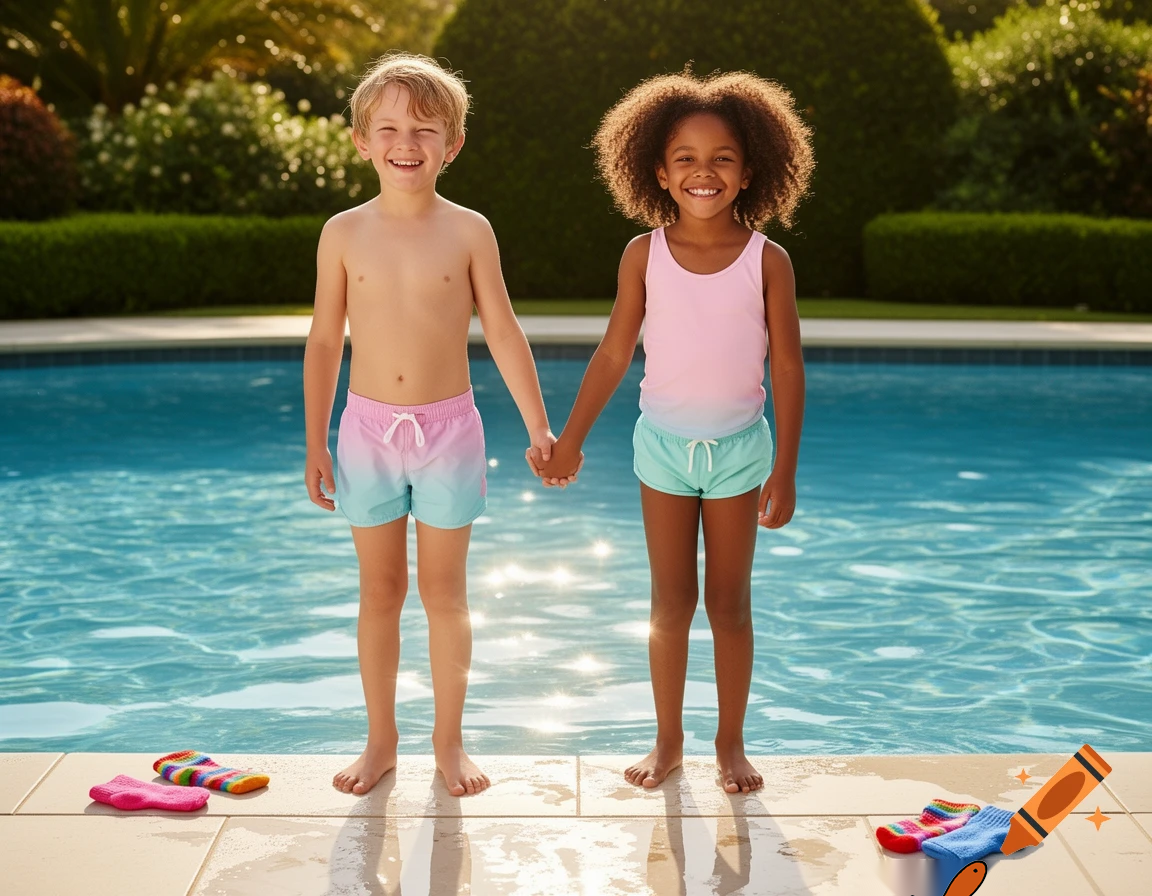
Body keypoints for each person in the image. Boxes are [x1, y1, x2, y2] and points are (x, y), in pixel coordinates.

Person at [534, 69, 814, 794]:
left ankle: (730, 744)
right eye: (685, 158)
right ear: (658, 171)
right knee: (670, 603)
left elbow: (787, 368)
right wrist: (571, 440)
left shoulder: (768, 261)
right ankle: (667, 740)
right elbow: (613, 353)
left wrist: (783, 469)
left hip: (739, 454)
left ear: (750, 170)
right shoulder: (642, 254)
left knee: (729, 604)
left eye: (722, 157)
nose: (703, 172)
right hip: (661, 448)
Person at [303, 53, 559, 797]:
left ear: (453, 143)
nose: (404, 141)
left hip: (450, 431)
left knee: (445, 594)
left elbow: (505, 332)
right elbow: (324, 340)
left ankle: (449, 742)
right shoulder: (342, 234)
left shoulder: (471, 231)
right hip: (366, 431)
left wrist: (539, 427)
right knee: (379, 591)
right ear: (360, 140)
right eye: (387, 127)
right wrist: (316, 439)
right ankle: (381, 739)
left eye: (424, 127)